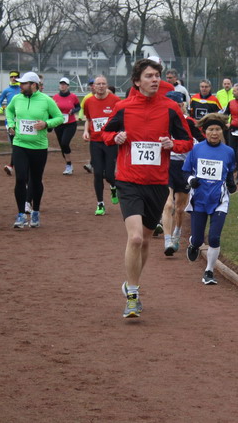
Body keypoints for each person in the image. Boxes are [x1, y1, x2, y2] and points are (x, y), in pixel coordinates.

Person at [102, 58, 193, 319]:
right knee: (135, 238)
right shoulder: (123, 107)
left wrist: (172, 144)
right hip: (129, 181)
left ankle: (131, 284)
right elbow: (105, 134)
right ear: (137, 81)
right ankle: (132, 296)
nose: (155, 80)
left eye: (157, 76)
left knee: (144, 241)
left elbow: (187, 141)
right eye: (149, 76)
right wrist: (116, 137)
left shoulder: (170, 108)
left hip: (157, 183)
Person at [5, 71, 64, 229]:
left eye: (23, 83)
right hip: (19, 144)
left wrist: (46, 124)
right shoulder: (17, 99)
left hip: (38, 147)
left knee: (36, 180)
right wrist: (10, 124)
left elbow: (59, 118)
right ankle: (21, 215)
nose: (20, 86)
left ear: (33, 85)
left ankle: (35, 211)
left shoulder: (46, 100)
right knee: (20, 178)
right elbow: (9, 111)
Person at [184, 113, 238, 283]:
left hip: (219, 199)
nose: (214, 133)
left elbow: (229, 171)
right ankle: (193, 243)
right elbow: (186, 171)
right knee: (198, 239)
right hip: (199, 198)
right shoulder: (196, 149)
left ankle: (209, 271)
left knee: (214, 237)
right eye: (211, 129)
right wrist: (191, 180)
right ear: (205, 131)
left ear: (222, 131)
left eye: (218, 129)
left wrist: (231, 184)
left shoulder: (229, 151)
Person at [162, 92, 204, 256]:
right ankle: (167, 241)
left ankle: (177, 234)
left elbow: (203, 141)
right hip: (167, 165)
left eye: (178, 105)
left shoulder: (189, 122)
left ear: (182, 105)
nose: (175, 108)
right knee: (168, 205)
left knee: (180, 209)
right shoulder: (160, 121)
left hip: (185, 167)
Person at [82, 75, 121, 215]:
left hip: (110, 142)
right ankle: (100, 204)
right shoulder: (88, 102)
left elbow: (121, 119)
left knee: (109, 175)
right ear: (93, 86)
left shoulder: (116, 101)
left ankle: (113, 187)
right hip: (95, 141)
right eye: (98, 84)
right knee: (97, 173)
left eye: (103, 84)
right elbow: (88, 119)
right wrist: (86, 131)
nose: (101, 86)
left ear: (107, 85)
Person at [51, 77, 81, 175]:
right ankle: (69, 165)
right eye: (61, 84)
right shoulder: (55, 97)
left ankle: (68, 165)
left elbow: (78, 107)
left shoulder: (73, 97)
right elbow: (51, 110)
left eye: (64, 84)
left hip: (70, 124)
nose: (62, 86)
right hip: (59, 124)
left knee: (64, 143)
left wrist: (73, 111)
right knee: (62, 145)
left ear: (68, 86)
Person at [0, 70, 21, 175]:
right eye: (11, 77)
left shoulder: (22, 89)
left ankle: (13, 165)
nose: (13, 78)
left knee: (20, 143)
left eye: (15, 76)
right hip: (10, 120)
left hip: (22, 119)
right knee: (14, 144)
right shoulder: (6, 90)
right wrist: (0, 108)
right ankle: (12, 165)